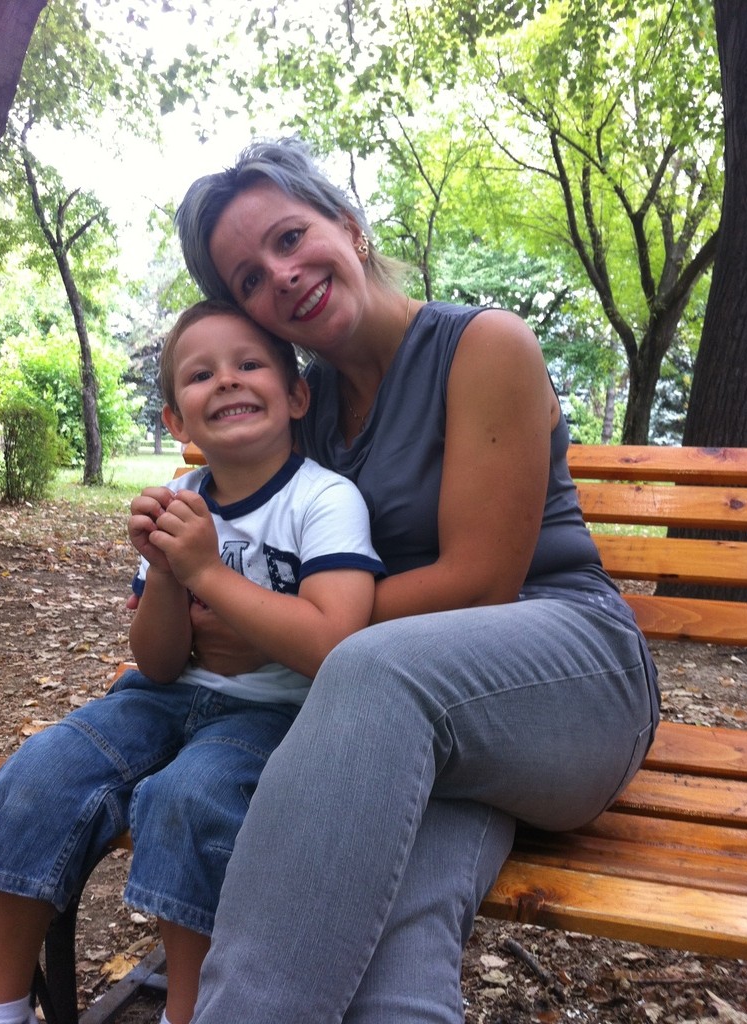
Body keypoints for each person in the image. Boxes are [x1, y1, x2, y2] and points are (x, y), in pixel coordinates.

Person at [172, 136, 661, 1024]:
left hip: (568, 674)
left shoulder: (482, 345)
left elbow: (479, 582)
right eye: (248, 278)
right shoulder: (306, 410)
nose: (280, 275)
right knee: (391, 971)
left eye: (290, 238)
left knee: (371, 668)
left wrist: (275, 625)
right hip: (425, 728)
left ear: (348, 227)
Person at [0, 299, 384, 1024]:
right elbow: (159, 662)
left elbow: (334, 644)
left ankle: (190, 1010)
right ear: (177, 420)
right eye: (201, 375)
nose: (227, 380)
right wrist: (168, 576)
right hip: (159, 697)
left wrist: (205, 570)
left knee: (189, 798)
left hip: (273, 711)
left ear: (296, 396)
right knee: (37, 774)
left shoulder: (325, 500)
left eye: (250, 364)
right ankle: (3, 1005)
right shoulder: (176, 499)